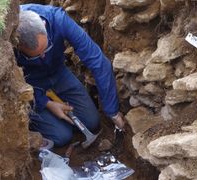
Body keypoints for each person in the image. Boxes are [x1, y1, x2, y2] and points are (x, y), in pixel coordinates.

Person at [14, 4, 125, 147]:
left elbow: (98, 61)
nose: (43, 56)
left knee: (92, 122)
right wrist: (46, 103)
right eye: (35, 56)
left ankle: (56, 118)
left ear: (44, 25)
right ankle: (46, 119)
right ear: (17, 45)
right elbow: (13, 86)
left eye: (45, 49)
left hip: (58, 72)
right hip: (31, 84)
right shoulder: (7, 43)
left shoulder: (57, 19)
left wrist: (112, 111)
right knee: (62, 137)